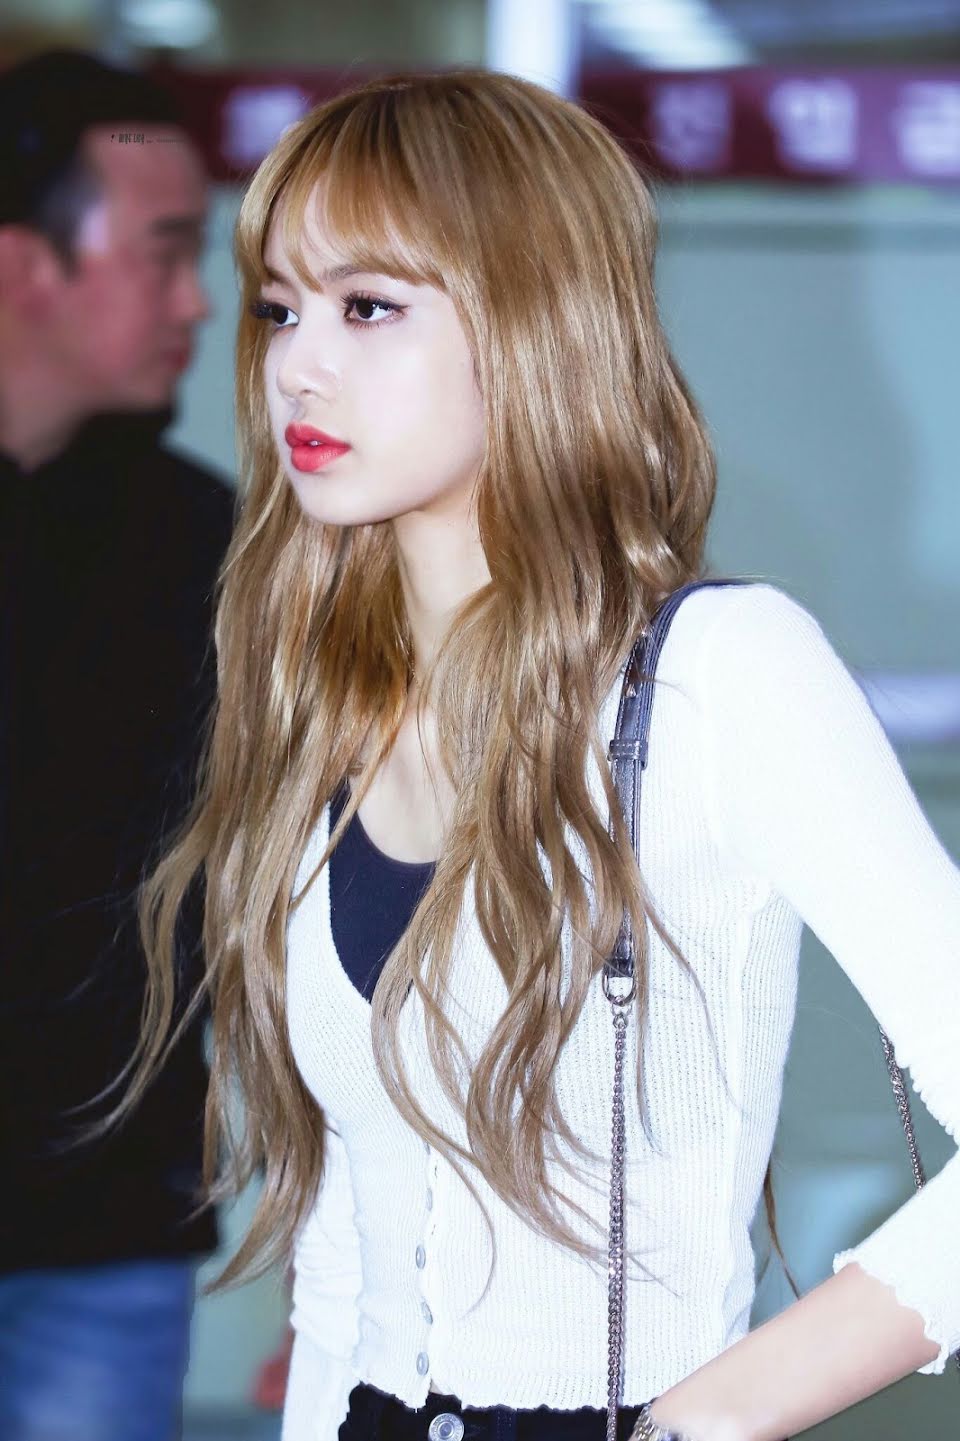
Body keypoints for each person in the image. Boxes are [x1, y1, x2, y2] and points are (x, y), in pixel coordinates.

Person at [113, 68, 960, 1441]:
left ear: (531, 320)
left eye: (368, 307)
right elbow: (342, 1253)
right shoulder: (325, 691)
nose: (297, 365)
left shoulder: (718, 677)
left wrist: (696, 1423)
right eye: (279, 307)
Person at [0, 49, 234, 1441]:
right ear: (26, 262)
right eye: (167, 253)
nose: (200, 302)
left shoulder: (213, 549)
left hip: (110, 1240)